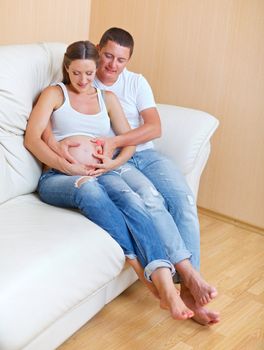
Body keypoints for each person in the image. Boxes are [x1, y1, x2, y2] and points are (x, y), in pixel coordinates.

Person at [43, 31, 220, 325]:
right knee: (146, 198)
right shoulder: (81, 75)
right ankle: (172, 281)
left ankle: (189, 281)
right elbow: (43, 129)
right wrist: (61, 151)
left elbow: (154, 127)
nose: (111, 65)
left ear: (129, 61)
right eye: (108, 57)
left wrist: (115, 145)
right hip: (107, 164)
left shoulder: (131, 84)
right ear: (98, 52)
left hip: (137, 154)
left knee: (182, 199)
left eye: (121, 60)